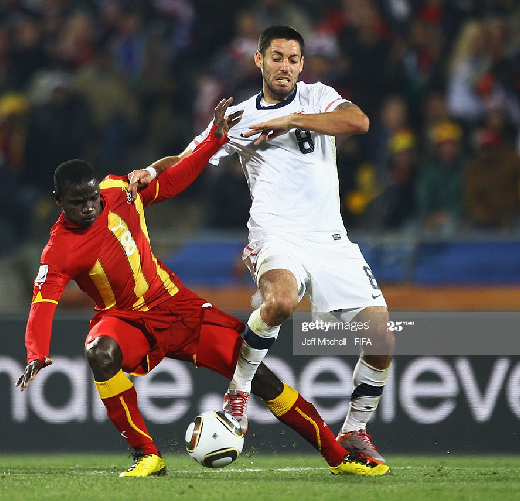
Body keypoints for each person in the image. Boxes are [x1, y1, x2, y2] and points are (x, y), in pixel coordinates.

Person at [16, 98, 389, 478]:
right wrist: (36, 352)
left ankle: (338, 456)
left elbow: (173, 181)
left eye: (92, 198)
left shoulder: (118, 190)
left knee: (258, 376)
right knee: (100, 353)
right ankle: (146, 454)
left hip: (178, 307)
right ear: (58, 202)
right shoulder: (58, 250)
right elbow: (42, 303)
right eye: (77, 203)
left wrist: (214, 139)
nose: (89, 208)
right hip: (124, 319)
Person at [130, 25, 395, 466]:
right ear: (258, 60)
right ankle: (238, 394)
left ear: (302, 65)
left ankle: (354, 431)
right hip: (274, 235)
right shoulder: (239, 117)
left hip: (331, 239)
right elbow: (188, 157)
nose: (285, 66)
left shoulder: (317, 97)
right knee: (280, 301)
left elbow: (359, 122)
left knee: (381, 338)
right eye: (276, 57)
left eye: (293, 59)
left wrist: (291, 119)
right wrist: (149, 172)